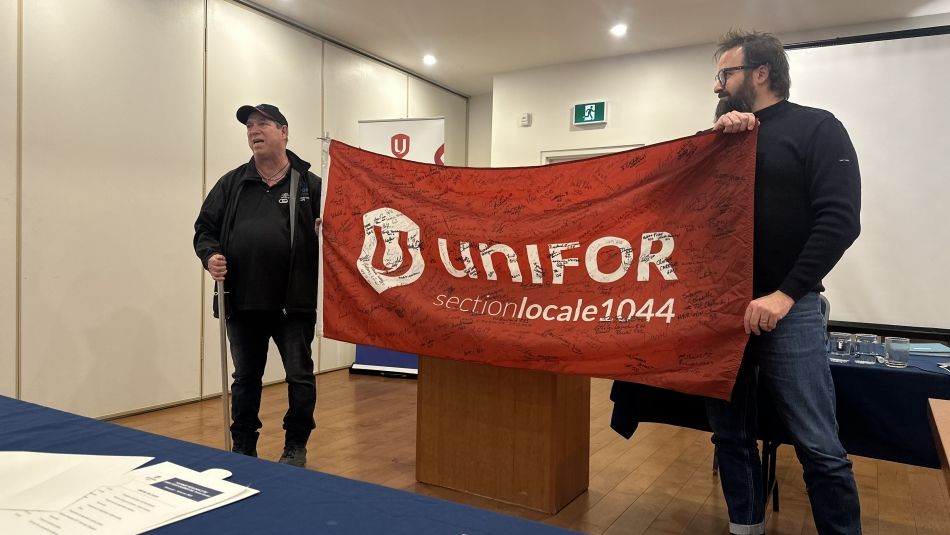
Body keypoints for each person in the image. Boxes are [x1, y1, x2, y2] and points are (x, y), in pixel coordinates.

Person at [706, 30, 862, 534]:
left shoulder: (818, 129)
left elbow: (839, 220)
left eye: (725, 75)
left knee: (820, 447)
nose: (717, 88)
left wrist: (784, 294)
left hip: (788, 313)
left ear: (760, 74)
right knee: (730, 438)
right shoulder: (725, 138)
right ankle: (744, 529)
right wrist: (718, 142)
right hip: (723, 316)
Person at [194, 103, 321, 468]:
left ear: (284, 131)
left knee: (299, 376)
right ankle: (244, 446)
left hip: (292, 304)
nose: (254, 130)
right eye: (249, 126)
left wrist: (325, 232)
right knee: (246, 379)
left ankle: (296, 445)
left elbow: (336, 238)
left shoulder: (309, 185)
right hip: (242, 301)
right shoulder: (232, 183)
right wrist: (210, 256)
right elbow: (205, 230)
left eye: (262, 123)